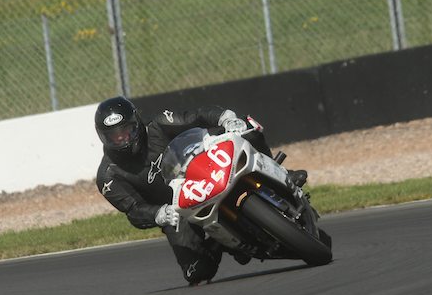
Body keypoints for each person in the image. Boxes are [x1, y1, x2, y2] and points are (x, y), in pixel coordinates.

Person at [94, 96, 307, 285]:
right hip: (178, 210)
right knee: (196, 272)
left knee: (247, 126)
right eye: (114, 136)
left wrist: (226, 119)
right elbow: (133, 210)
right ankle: (221, 243)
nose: (122, 139)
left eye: (127, 130)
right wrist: (158, 214)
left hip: (202, 171)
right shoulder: (108, 177)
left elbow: (196, 116)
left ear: (137, 123)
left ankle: (281, 174)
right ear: (103, 137)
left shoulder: (158, 124)